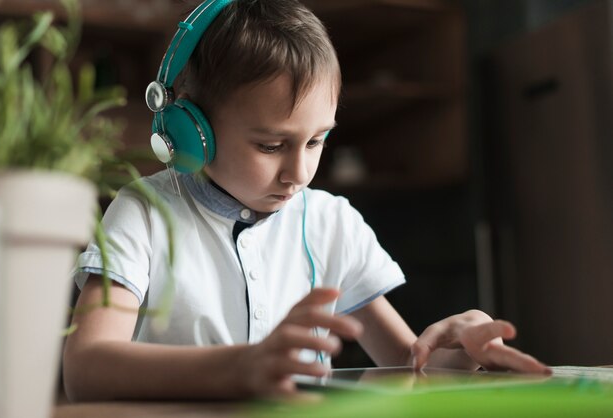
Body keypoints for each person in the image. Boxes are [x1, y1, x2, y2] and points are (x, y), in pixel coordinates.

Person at [62, 0, 550, 401]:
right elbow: (85, 367)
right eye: (271, 146)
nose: (299, 173)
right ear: (192, 132)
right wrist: (242, 366)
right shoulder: (142, 214)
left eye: (316, 141)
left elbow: (408, 368)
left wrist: (456, 352)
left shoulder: (330, 223)